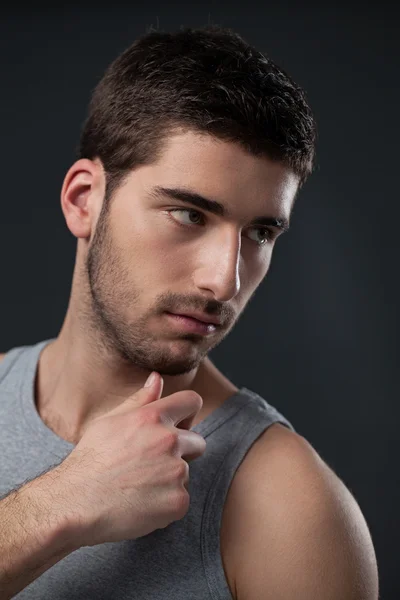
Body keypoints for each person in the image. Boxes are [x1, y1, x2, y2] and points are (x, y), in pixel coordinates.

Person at [0, 25, 378, 600]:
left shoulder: (293, 509)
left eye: (260, 232)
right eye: (189, 215)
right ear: (84, 200)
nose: (224, 279)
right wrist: (59, 505)